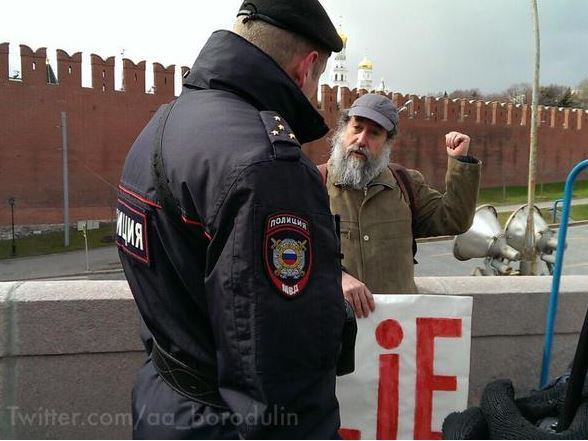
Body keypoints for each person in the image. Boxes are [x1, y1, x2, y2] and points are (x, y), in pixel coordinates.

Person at [116, 1, 350, 438]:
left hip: (162, 404)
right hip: (220, 424)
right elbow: (283, 374)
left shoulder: (161, 127)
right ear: (307, 66)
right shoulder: (268, 167)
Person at [322, 93, 481, 317]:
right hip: (335, 325)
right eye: (357, 128)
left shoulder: (406, 185)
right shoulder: (314, 184)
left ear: (387, 142)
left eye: (374, 133)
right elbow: (293, 254)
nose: (361, 139)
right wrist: (336, 276)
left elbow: (455, 219)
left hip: (394, 331)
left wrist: (459, 162)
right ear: (342, 131)